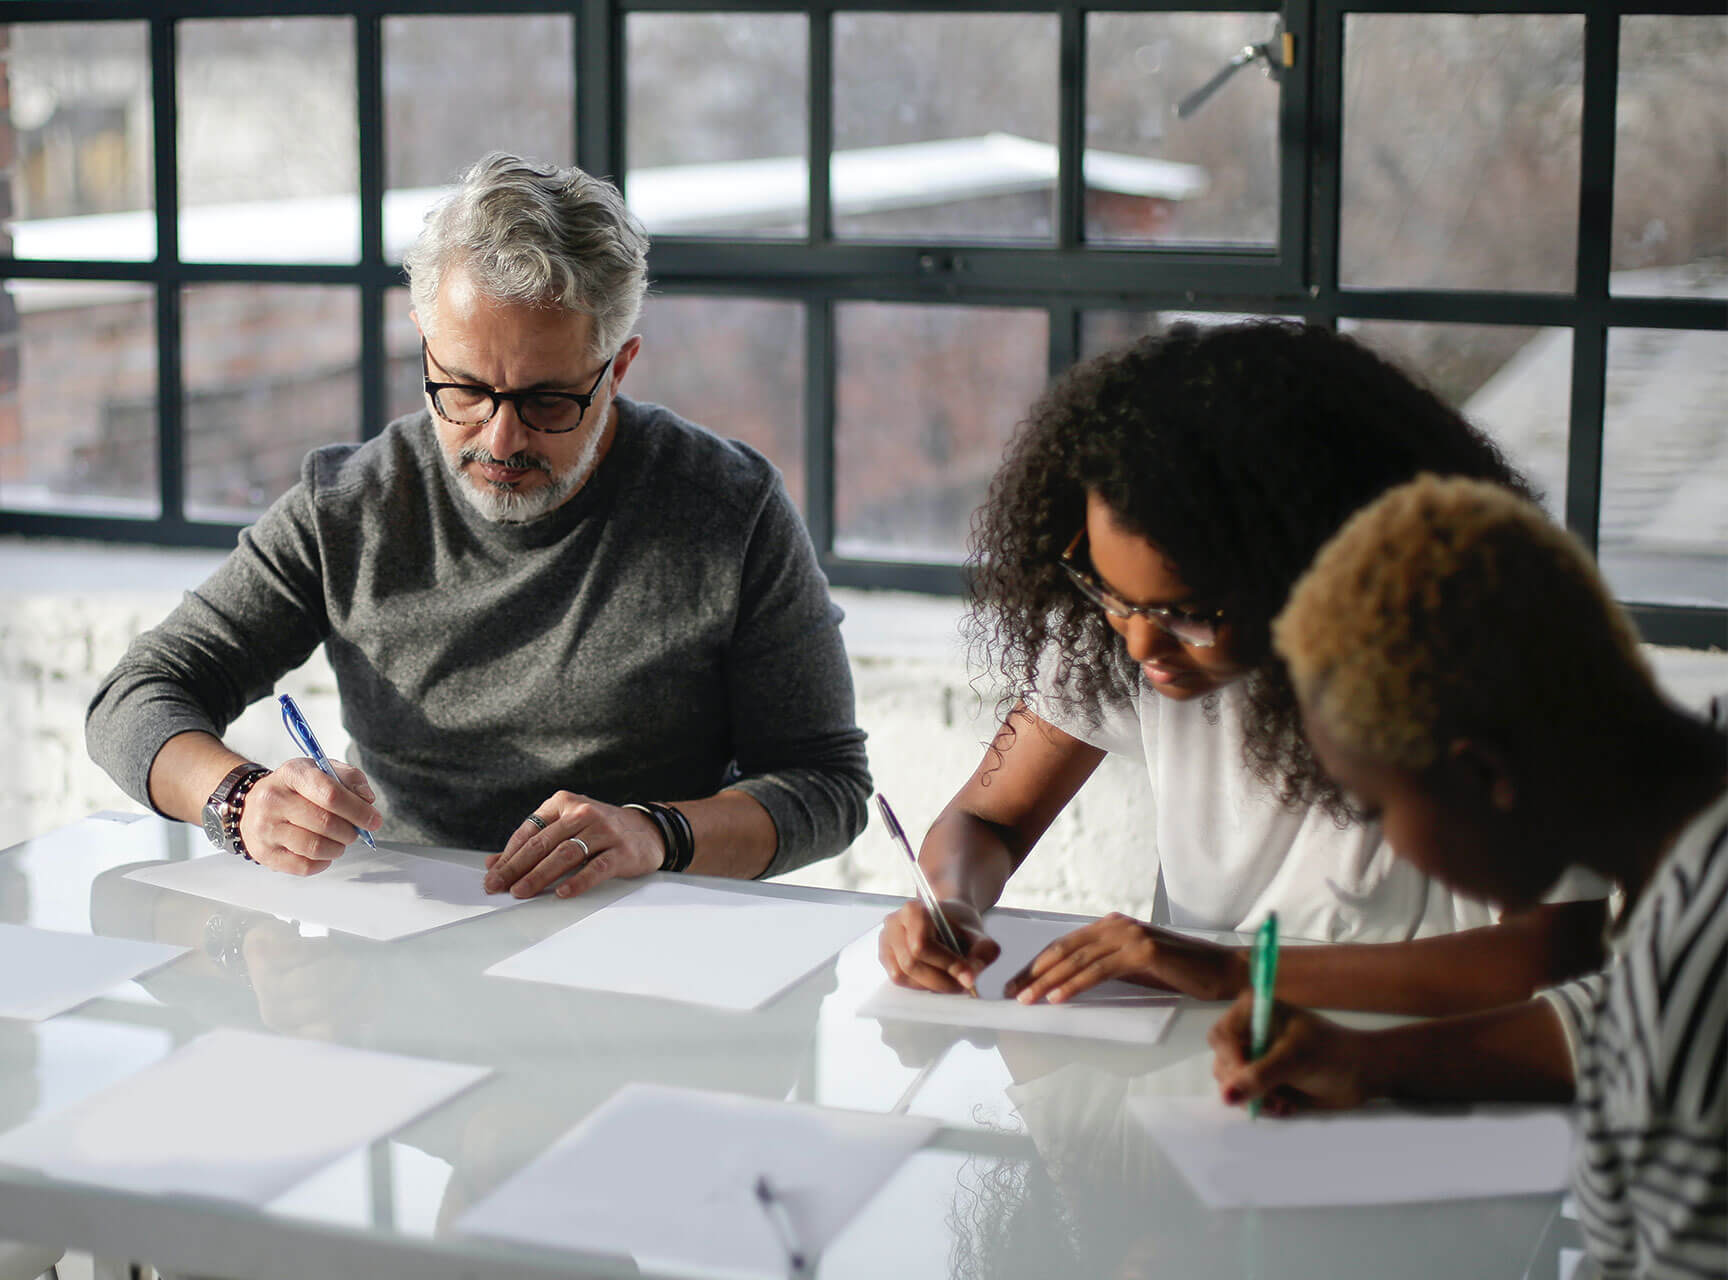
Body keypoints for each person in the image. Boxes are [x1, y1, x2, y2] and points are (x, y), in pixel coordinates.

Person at [88, 152, 870, 897]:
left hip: (644, 942)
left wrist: (658, 833)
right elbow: (135, 696)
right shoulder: (351, 506)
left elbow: (827, 785)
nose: (500, 441)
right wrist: (241, 800)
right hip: (407, 944)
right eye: (462, 391)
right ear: (428, 350)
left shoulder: (727, 508)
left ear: (619, 368)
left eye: (547, 402)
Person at [879, 322, 1608, 1014]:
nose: (1139, 646)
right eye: (1108, 594)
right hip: (1204, 1071)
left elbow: (1556, 951)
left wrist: (1235, 972)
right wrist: (950, 903)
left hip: (1414, 1072)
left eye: (1187, 614)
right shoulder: (1122, 631)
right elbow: (986, 818)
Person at [1209, 475, 1726, 1278]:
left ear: (1486, 775)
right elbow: (1612, 1021)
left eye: (1376, 808)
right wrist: (1369, 1062)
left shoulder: (1698, 976)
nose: (1391, 846)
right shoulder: (1693, 829)